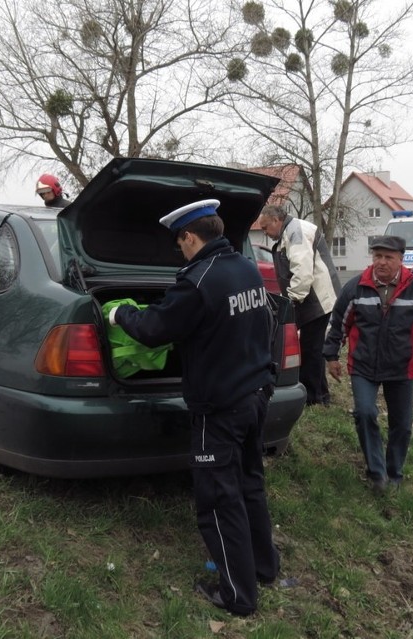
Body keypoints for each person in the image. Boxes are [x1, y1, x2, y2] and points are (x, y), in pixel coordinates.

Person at [108, 199, 280, 616]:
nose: (179, 251)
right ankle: (263, 568)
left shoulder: (198, 280)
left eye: (179, 243)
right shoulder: (244, 267)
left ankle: (237, 596)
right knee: (249, 485)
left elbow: (153, 329)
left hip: (219, 408)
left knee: (218, 501)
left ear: (189, 236)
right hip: (255, 397)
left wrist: (121, 313)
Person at [323, 235, 413, 494]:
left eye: (388, 257)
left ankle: (394, 475)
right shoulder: (356, 287)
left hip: (401, 367)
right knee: (364, 413)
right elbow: (339, 322)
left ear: (400, 260)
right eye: (377, 256)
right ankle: (377, 474)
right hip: (363, 365)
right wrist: (331, 356)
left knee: (402, 425)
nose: (381, 262)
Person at [258, 205, 341, 406]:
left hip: (316, 301)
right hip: (310, 300)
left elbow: (302, 271)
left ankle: (313, 398)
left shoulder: (297, 232)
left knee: (311, 350)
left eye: (266, 227)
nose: (265, 233)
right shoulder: (289, 232)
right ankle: (320, 395)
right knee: (312, 349)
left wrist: (291, 301)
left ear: (276, 221)